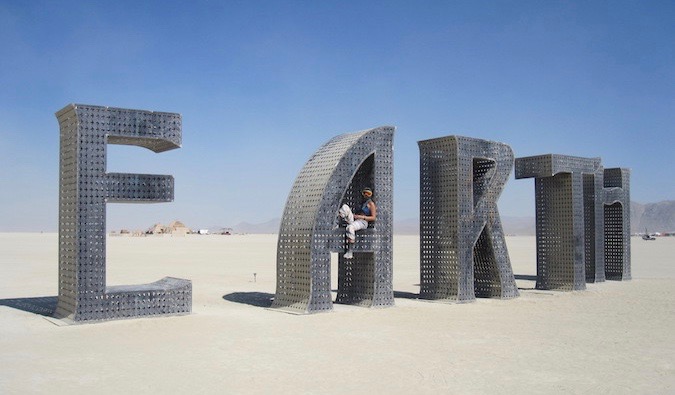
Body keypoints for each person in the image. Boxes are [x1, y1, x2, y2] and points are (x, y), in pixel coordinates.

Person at [338, 187, 377, 259]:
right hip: (355, 220)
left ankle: (350, 251)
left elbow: (373, 217)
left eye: (368, 194)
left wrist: (362, 217)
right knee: (345, 207)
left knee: (350, 227)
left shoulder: (371, 204)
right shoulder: (361, 203)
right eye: (364, 193)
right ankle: (338, 221)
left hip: (363, 222)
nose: (366, 195)